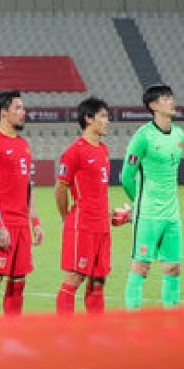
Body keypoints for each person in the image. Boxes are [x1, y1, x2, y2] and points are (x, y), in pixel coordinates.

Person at [0, 90, 42, 317]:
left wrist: (35, 221)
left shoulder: (23, 145)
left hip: (22, 223)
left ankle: (11, 337)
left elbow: (28, 186)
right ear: (4, 113)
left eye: (23, 108)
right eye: (18, 108)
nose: (24, 113)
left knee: (18, 284)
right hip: (1, 222)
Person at [120, 84, 184, 310]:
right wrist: (137, 203)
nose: (171, 101)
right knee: (141, 267)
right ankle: (132, 318)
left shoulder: (179, 134)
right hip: (148, 214)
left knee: (173, 268)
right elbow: (126, 177)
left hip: (172, 214)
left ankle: (171, 318)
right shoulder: (143, 137)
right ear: (153, 105)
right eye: (166, 98)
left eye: (171, 97)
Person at [55, 97, 114, 314]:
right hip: (83, 225)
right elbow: (60, 189)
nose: (107, 121)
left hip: (102, 227)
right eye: (103, 116)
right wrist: (66, 218)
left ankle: (94, 333)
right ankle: (66, 334)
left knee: (99, 280)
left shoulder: (104, 150)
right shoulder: (74, 152)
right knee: (75, 277)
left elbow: (98, 193)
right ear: (88, 119)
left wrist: (111, 215)